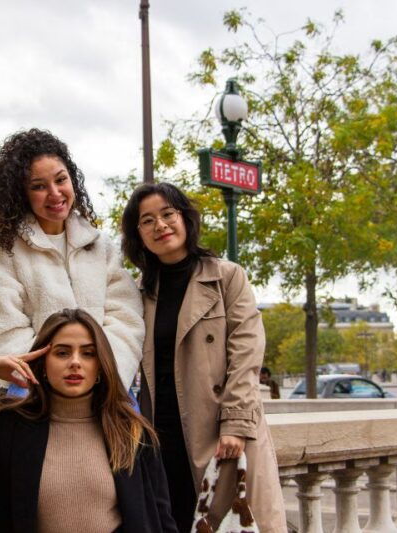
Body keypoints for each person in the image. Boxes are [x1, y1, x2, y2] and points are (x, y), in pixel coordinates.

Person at [0, 309, 176, 533]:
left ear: (100, 366)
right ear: (41, 362)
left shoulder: (133, 431)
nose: (75, 362)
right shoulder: (4, 425)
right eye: (62, 352)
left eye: (88, 353)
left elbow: (161, 517)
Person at [121, 182, 287, 533]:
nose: (160, 225)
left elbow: (246, 353)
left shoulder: (227, 277)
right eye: (147, 220)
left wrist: (236, 424)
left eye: (168, 214)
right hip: (160, 436)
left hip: (220, 431)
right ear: (138, 234)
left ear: (185, 218)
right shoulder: (137, 292)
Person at [0, 128, 144, 393]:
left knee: (134, 434)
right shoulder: (1, 252)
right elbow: (3, 331)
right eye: (38, 186)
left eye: (60, 180)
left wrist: (102, 372)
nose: (55, 193)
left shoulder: (100, 246)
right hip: (35, 392)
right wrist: (57, 381)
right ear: (21, 195)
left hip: (105, 388)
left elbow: (125, 318)